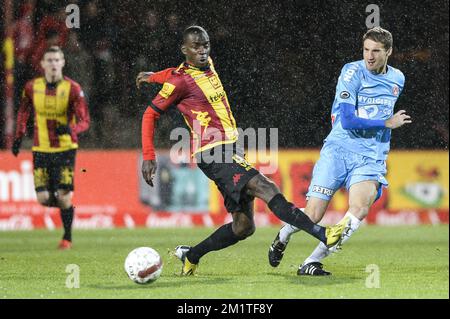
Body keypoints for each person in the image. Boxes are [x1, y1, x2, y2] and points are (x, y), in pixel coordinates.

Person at [137, 26, 350, 276]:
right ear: (184, 50)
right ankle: (324, 234)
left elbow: (171, 73)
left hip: (231, 149)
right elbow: (150, 114)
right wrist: (149, 156)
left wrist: (152, 76)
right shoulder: (180, 81)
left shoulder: (205, 66)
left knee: (243, 227)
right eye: (196, 46)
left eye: (205, 44)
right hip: (212, 151)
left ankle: (191, 255)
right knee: (267, 187)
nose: (203, 50)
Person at [268, 27, 411, 276]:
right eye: (366, 49)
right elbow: (347, 119)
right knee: (312, 215)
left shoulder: (397, 78)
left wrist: (382, 127)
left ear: (389, 51)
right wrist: (385, 124)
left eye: (376, 51)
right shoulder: (352, 72)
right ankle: (283, 235)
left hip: (370, 156)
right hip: (339, 150)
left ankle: (310, 262)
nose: (369, 56)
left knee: (359, 210)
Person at [12, 46, 90, 250]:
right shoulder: (31, 87)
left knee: (63, 196)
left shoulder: (73, 89)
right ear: (43, 64)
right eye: (50, 60)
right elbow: (23, 111)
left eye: (57, 60)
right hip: (41, 148)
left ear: (63, 62)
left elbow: (85, 121)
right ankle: (66, 205)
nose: (54, 64)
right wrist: (18, 136)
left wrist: (71, 129)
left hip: (65, 149)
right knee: (43, 198)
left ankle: (67, 237)